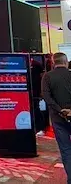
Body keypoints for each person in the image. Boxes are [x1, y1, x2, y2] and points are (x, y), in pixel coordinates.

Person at [42, 52, 71, 183]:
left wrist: (60, 111)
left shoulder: (47, 76)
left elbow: (47, 97)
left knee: (66, 150)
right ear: (66, 62)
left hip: (58, 118)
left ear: (53, 63)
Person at [30, 58, 46, 136]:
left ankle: (41, 128)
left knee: (36, 109)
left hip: (35, 91)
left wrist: (42, 91)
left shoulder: (36, 64)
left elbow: (42, 77)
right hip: (28, 91)